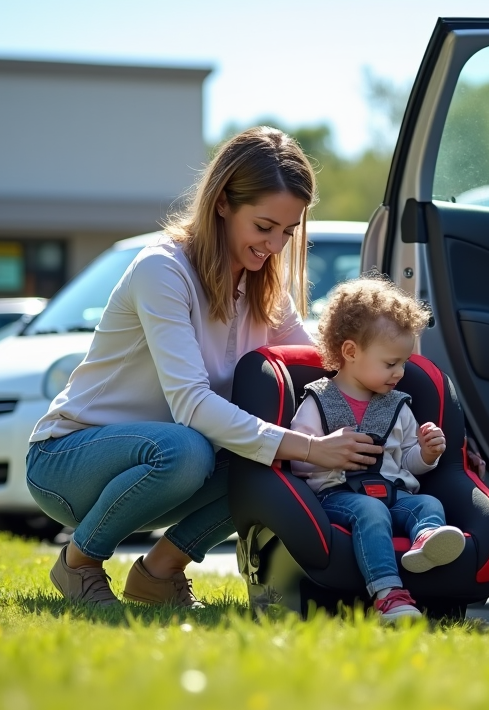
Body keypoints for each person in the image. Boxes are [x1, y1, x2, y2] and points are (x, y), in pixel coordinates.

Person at [24, 127, 386, 607]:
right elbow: (191, 404)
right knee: (193, 447)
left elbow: (319, 371)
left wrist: (416, 421)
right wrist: (310, 447)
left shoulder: (266, 286)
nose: (276, 245)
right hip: (67, 462)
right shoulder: (162, 270)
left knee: (264, 455)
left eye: (288, 231)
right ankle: (79, 563)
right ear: (222, 204)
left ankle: (159, 571)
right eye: (263, 227)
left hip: (163, 467)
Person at [290, 277, 466, 622]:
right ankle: (388, 595)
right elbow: (300, 460)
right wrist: (324, 453)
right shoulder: (318, 402)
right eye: (390, 364)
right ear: (351, 352)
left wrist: (428, 454)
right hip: (339, 496)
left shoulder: (398, 406)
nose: (399, 373)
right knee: (371, 513)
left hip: (394, 493)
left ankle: (426, 539)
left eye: (403, 363)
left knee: (428, 502)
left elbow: (408, 462)